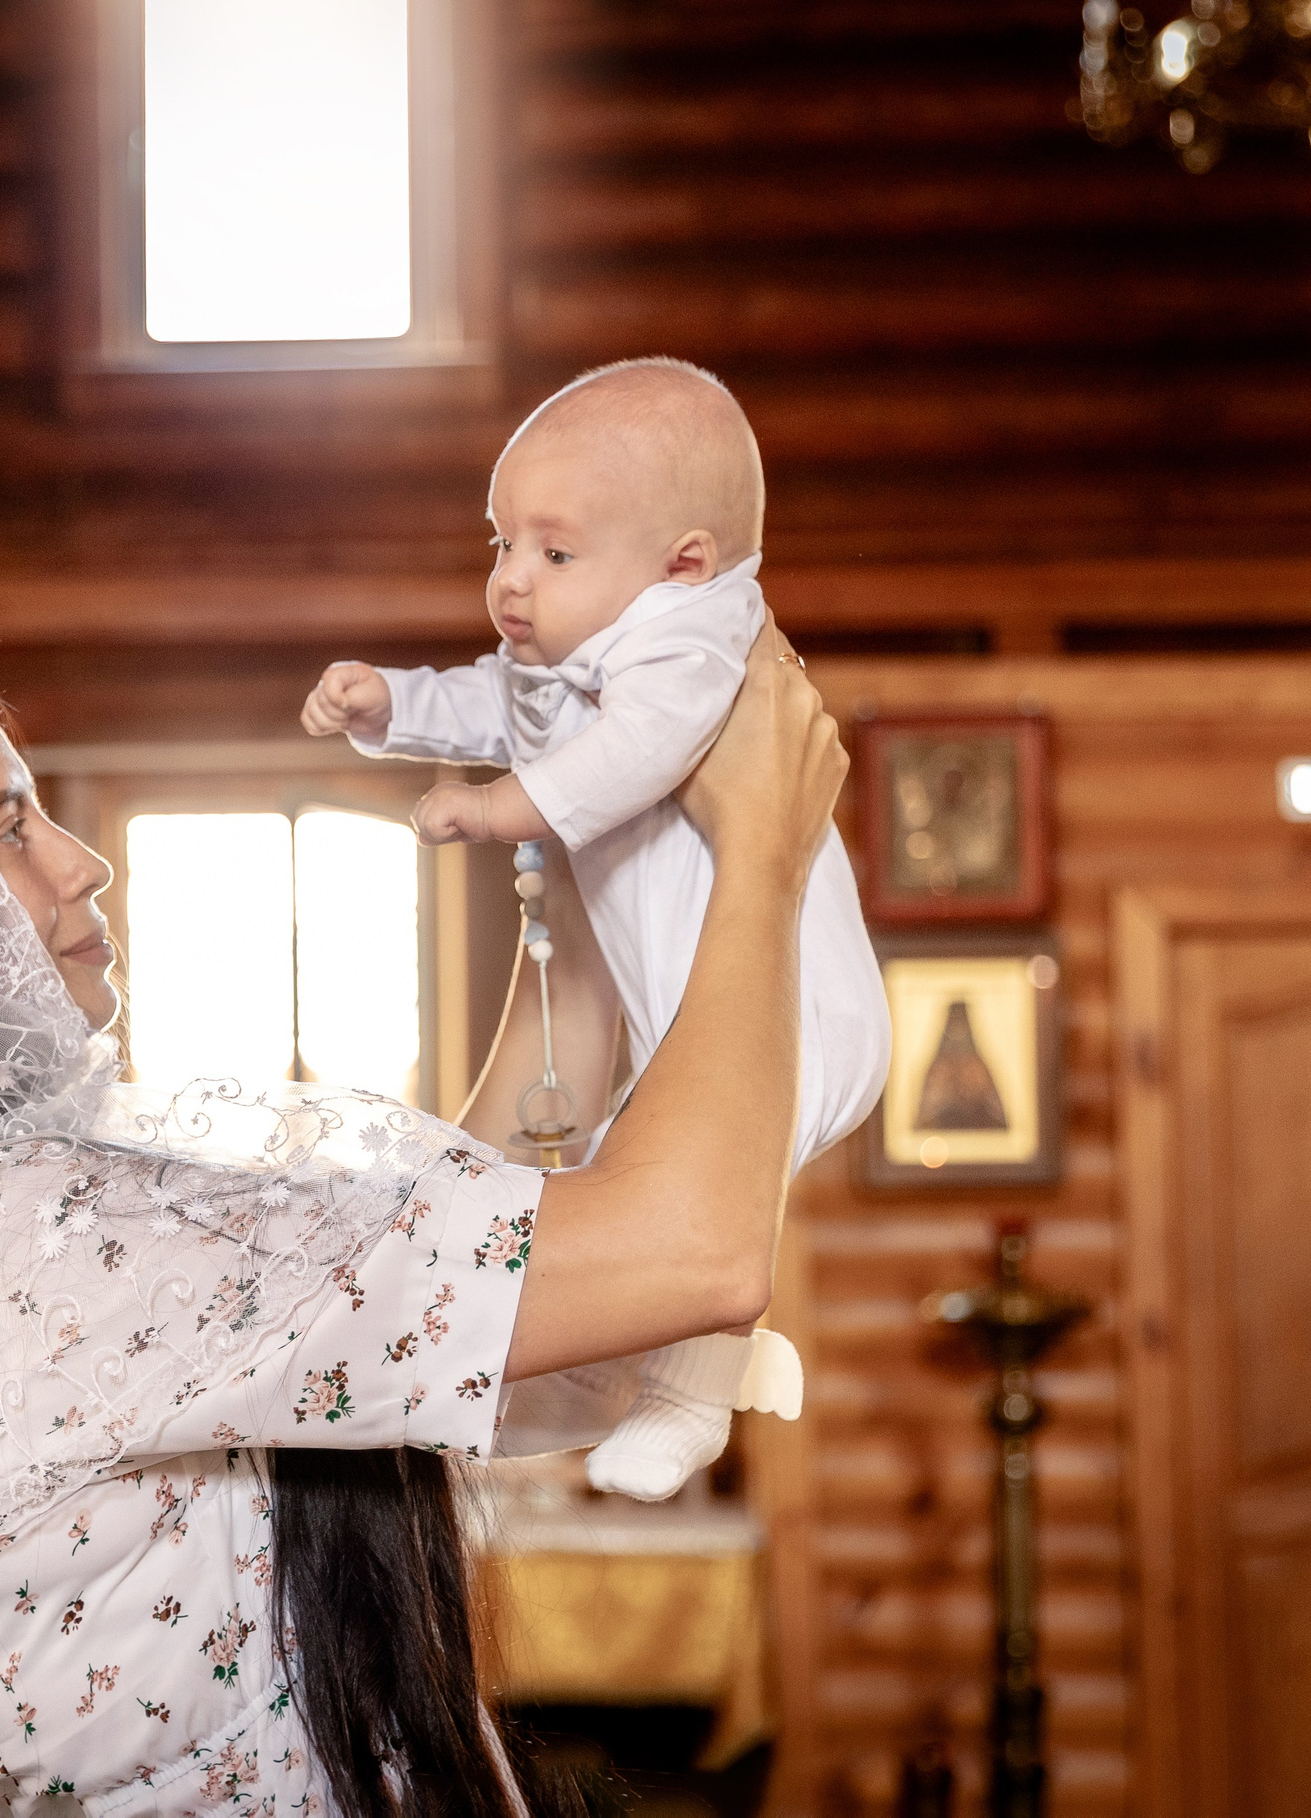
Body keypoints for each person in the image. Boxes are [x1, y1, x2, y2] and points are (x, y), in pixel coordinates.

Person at [0, 610, 845, 1815]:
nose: (79, 861)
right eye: (9, 827)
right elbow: (692, 1253)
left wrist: (573, 885)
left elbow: (432, 1253)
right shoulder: (24, 1237)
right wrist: (764, 859)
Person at [301, 358, 889, 1500]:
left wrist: (491, 808)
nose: (512, 582)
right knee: (632, 1182)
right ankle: (646, 1377)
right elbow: (496, 705)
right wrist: (393, 712)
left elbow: (628, 759)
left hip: (793, 1012)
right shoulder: (580, 653)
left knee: (681, 1196)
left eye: (553, 552)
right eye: (499, 544)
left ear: (684, 566)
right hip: (684, 1009)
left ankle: (687, 1396)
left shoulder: (693, 640)